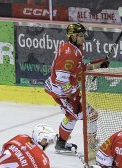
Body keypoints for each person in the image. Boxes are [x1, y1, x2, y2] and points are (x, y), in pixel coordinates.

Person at [44, 23, 109, 153]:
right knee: (90, 114)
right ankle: (91, 147)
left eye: (83, 35)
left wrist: (95, 65)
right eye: (80, 36)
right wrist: (70, 96)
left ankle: (61, 144)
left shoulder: (75, 49)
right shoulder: (69, 53)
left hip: (67, 92)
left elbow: (76, 70)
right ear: (72, 37)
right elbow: (61, 79)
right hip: (62, 93)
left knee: (73, 116)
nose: (83, 38)